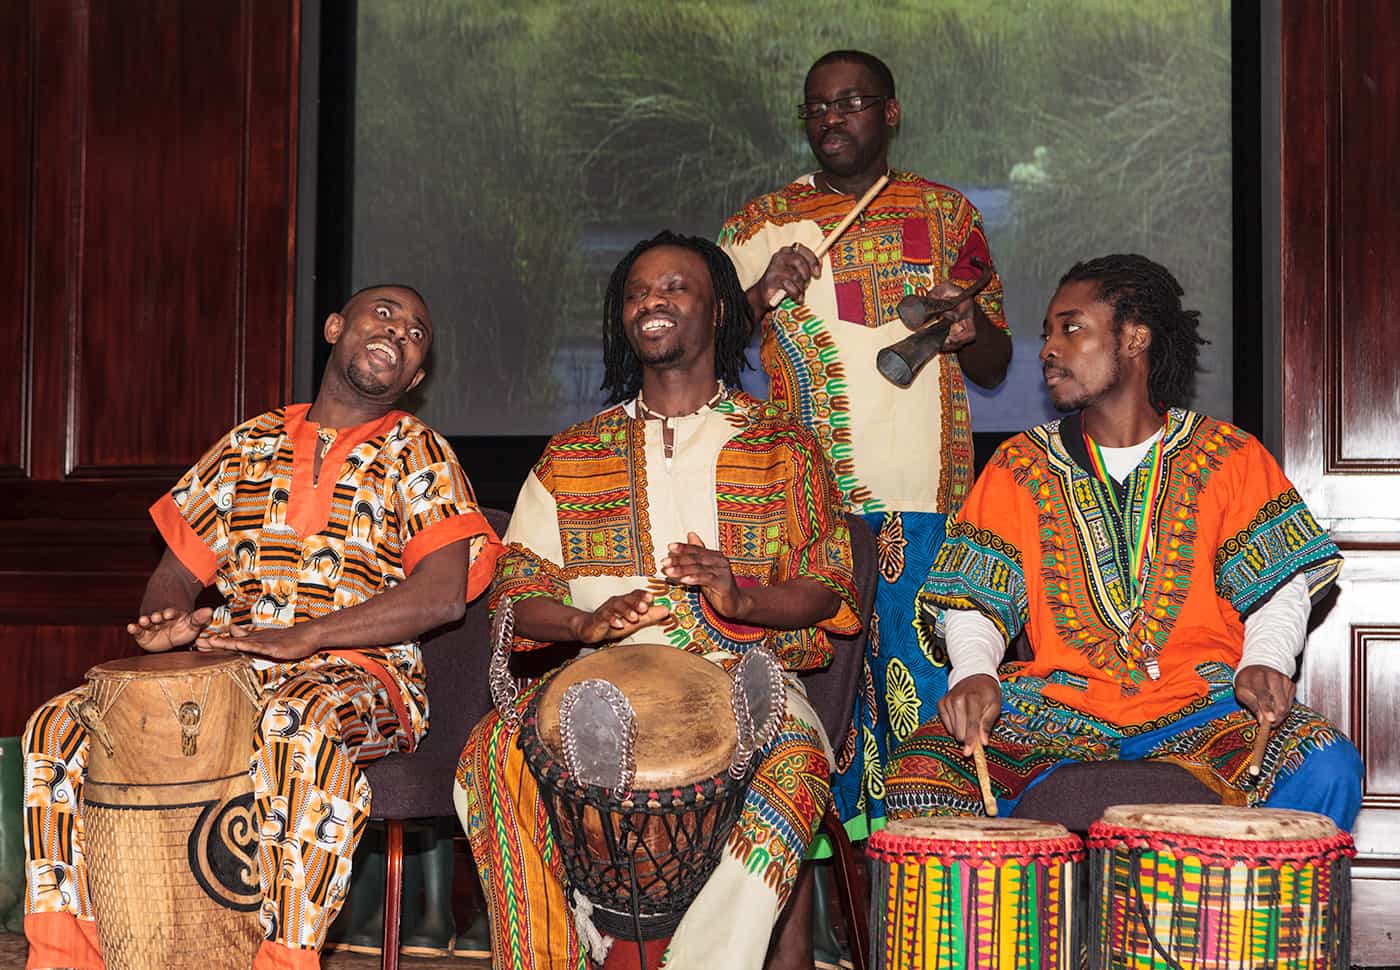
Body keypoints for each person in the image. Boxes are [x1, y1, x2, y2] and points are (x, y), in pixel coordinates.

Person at [22, 285, 502, 970]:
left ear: (417, 378)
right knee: (59, 725)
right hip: (235, 674)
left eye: (417, 333)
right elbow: (177, 571)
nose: (399, 331)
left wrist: (306, 637)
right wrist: (171, 621)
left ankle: (285, 958)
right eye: (384, 313)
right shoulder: (249, 443)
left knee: (295, 724)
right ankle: (66, 956)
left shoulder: (417, 451)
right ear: (336, 327)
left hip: (363, 681)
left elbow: (441, 597)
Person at [454, 232, 860, 970]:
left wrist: (740, 595)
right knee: (490, 758)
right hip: (598, 682)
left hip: (745, 675)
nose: (652, 301)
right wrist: (585, 621)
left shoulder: (784, 446)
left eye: (675, 287)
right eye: (637, 292)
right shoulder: (572, 454)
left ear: (718, 313)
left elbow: (828, 590)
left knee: (795, 763)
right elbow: (517, 597)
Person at [882, 255, 1362, 830]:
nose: (1048, 350)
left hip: (1204, 708)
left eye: (1071, 328)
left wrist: (1264, 660)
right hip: (1057, 710)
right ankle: (1008, 924)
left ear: (1135, 338)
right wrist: (974, 673)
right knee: (921, 775)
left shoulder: (1230, 456)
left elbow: (1280, 588)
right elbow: (975, 602)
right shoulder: (1019, 465)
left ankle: (1241, 922)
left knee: (1326, 764)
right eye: (1047, 335)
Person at [719, 49, 1012, 838]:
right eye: (816, 107)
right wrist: (761, 288)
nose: (830, 119)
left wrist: (967, 328)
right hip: (804, 522)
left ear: (890, 111)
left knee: (924, 718)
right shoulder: (760, 221)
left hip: (927, 510)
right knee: (814, 723)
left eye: (850, 102)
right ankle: (824, 919)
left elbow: (997, 364)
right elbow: (699, 347)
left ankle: (920, 906)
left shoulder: (949, 215)